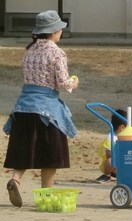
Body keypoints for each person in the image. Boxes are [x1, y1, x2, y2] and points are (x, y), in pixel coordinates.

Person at [3, 10, 78, 208]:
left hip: (23, 107)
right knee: (50, 156)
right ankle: (46, 195)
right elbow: (62, 82)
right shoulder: (56, 53)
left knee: (24, 150)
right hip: (46, 109)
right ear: (53, 31)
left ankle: (16, 180)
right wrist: (73, 82)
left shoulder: (30, 51)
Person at [95, 109, 127, 183]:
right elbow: (108, 154)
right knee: (111, 160)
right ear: (122, 127)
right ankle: (107, 175)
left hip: (122, 164)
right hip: (111, 165)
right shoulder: (111, 137)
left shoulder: (124, 137)